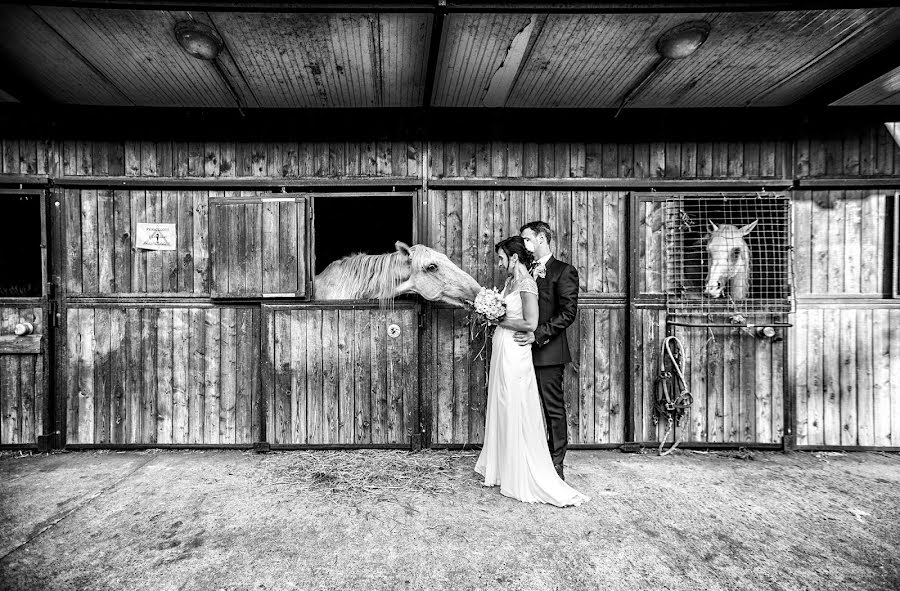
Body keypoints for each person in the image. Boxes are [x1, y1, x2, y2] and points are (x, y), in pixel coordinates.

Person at [474, 236, 589, 507]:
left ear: (514, 258)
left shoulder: (543, 276)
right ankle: (506, 465)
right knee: (505, 403)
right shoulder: (513, 280)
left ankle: (550, 466)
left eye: (502, 257)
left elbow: (538, 319)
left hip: (533, 347)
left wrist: (498, 318)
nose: (499, 262)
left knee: (544, 408)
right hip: (507, 347)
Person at [514, 221, 579, 481]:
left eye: (527, 239)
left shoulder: (564, 271)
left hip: (548, 351)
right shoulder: (525, 270)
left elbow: (568, 313)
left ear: (542, 238)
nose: (525, 245)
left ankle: (556, 464)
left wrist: (537, 335)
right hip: (520, 352)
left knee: (553, 409)